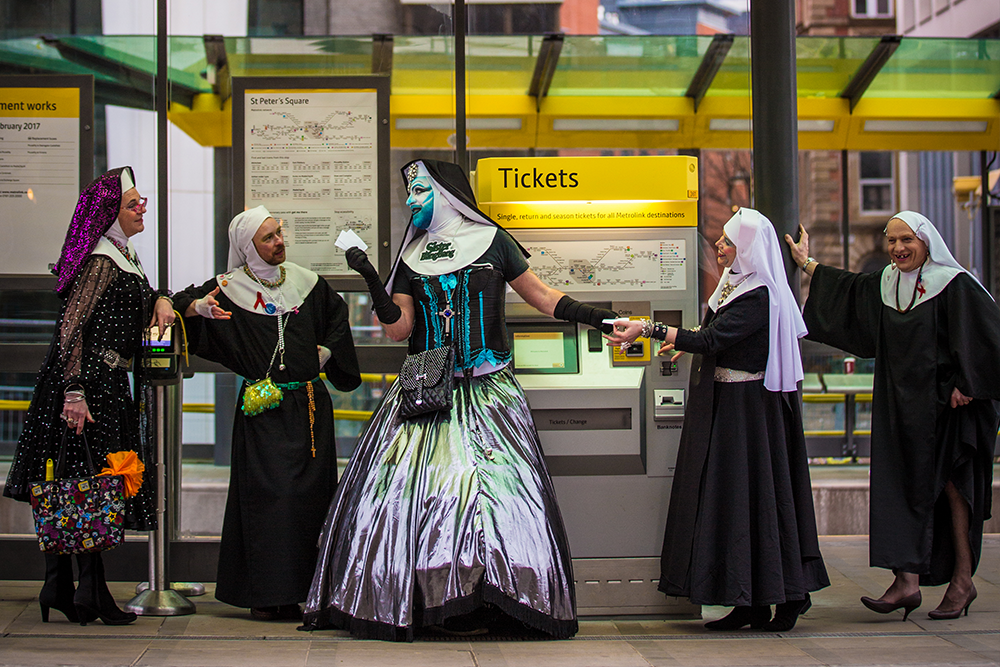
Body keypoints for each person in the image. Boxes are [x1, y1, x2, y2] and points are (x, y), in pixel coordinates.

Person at [301, 159, 617, 641]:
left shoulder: (493, 242)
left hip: (490, 387)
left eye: (420, 190)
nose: (411, 200)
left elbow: (543, 297)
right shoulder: (411, 256)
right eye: (408, 191)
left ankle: (500, 596)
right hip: (428, 388)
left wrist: (600, 319)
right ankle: (439, 601)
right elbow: (399, 329)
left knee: (499, 495)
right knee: (428, 495)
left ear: (448, 194)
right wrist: (367, 273)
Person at [608, 208, 829, 632]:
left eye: (727, 241)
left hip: (749, 413)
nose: (719, 247)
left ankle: (788, 595)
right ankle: (747, 600)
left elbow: (713, 338)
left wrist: (651, 330)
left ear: (747, 246)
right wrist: (682, 341)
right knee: (735, 504)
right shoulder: (737, 286)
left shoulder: (760, 294)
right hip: (729, 409)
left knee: (759, 500)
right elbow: (713, 331)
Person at [786, 211, 1000, 620]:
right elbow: (849, 290)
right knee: (899, 488)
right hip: (900, 407)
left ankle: (962, 581)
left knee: (954, 491)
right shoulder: (886, 284)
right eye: (891, 241)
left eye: (907, 240)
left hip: (947, 410)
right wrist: (807, 264)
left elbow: (986, 337)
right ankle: (906, 583)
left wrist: (967, 383)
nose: (898, 248)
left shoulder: (955, 285)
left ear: (927, 242)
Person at [171, 206, 361, 621]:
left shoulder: (308, 283)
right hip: (263, 415)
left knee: (310, 501)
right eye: (269, 238)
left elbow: (336, 320)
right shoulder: (229, 288)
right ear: (247, 247)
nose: (279, 242)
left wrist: (327, 352)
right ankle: (267, 593)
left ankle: (311, 592)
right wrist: (197, 308)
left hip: (309, 411)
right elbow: (177, 304)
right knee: (269, 501)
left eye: (279, 233)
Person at [4, 167, 175, 626]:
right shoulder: (102, 260)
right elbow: (71, 327)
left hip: (103, 385)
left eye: (141, 201)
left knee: (74, 479)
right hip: (86, 388)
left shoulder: (123, 253)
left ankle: (60, 583)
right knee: (87, 483)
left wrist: (162, 297)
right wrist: (74, 391)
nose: (142, 209)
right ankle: (90, 592)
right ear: (109, 214)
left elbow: (133, 298)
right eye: (132, 204)